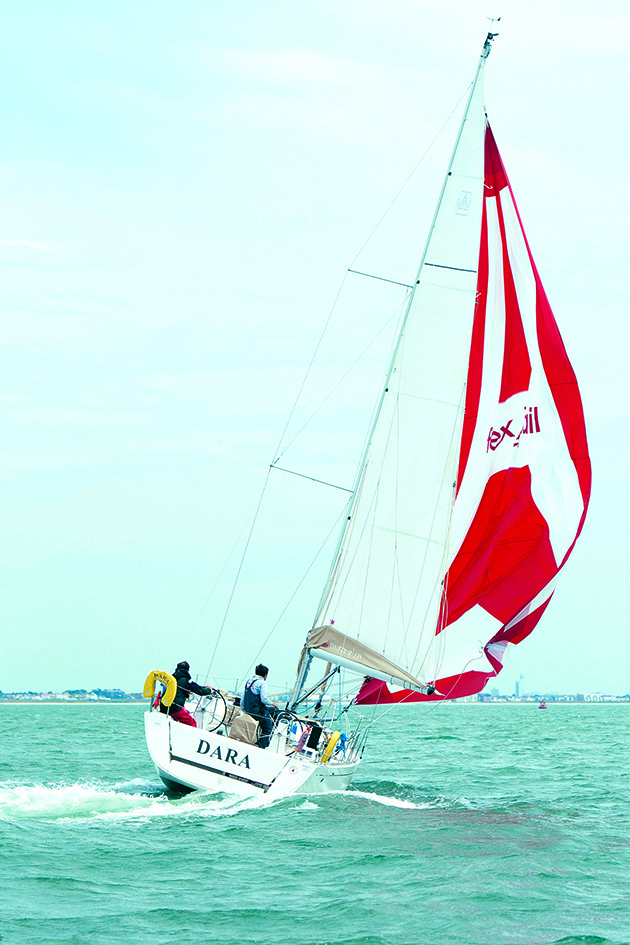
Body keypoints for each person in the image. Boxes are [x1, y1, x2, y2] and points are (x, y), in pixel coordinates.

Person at [164, 661, 214, 727]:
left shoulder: (172, 678)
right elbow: (199, 690)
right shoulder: (184, 680)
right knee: (192, 723)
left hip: (165, 707)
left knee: (181, 718)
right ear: (187, 670)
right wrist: (209, 690)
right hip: (175, 708)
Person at [241, 664, 279, 749]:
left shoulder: (249, 682)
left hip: (248, 710)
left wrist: (244, 709)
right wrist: (273, 703)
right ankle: (261, 746)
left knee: (273, 711)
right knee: (268, 728)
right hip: (258, 711)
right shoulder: (262, 683)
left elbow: (243, 698)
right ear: (265, 675)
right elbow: (264, 699)